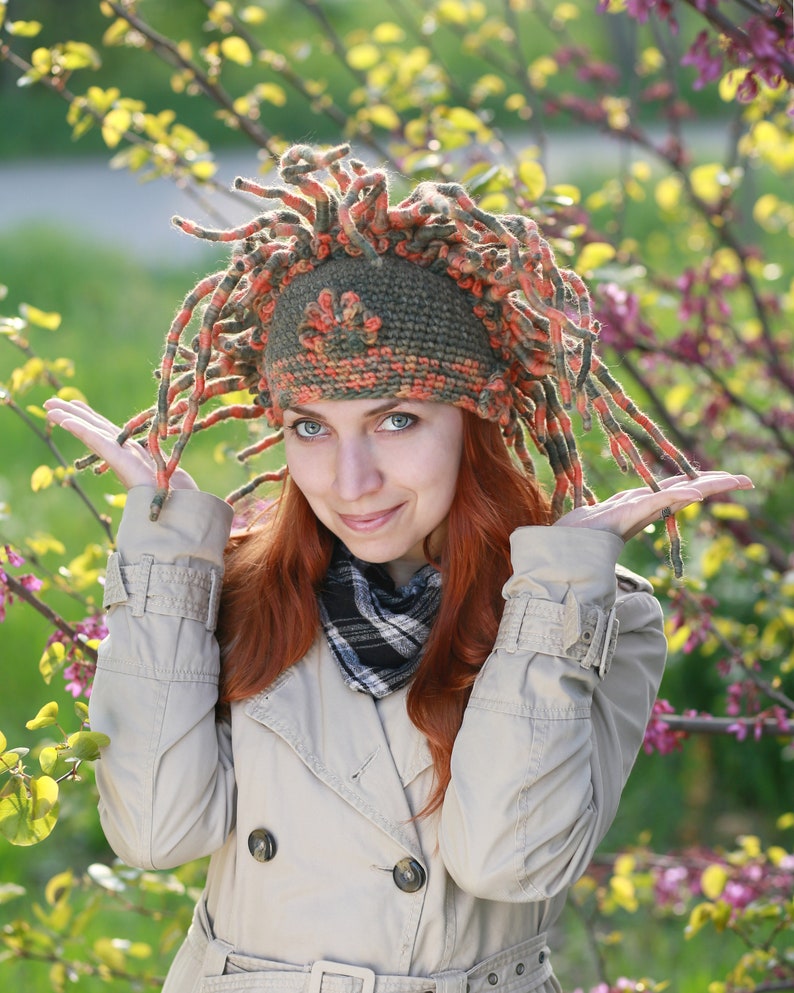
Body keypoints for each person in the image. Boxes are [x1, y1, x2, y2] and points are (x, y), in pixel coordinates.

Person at [45, 143, 752, 993]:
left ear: (473, 417)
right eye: (311, 426)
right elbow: (155, 833)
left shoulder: (592, 618)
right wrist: (163, 558)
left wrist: (558, 595)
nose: (351, 482)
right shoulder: (233, 590)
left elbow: (508, 859)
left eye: (396, 419)